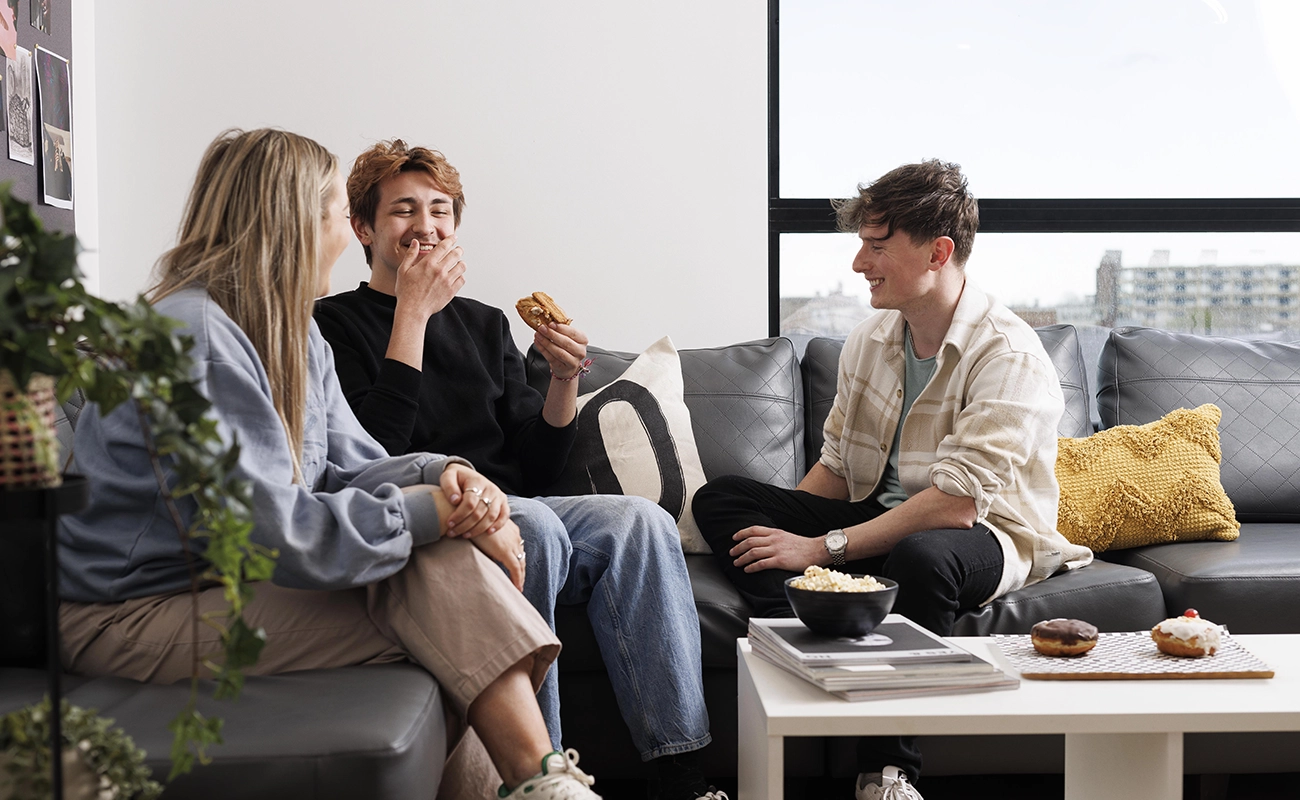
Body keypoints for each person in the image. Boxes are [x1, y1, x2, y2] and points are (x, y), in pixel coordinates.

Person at [57, 128, 604, 800]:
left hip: (220, 582)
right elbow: (277, 533)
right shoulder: (198, 339)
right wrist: (440, 514)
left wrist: (443, 476)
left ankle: (535, 783)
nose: (346, 233)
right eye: (335, 217)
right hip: (135, 612)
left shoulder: (292, 329)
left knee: (438, 566)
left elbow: (352, 462)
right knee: (434, 573)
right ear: (288, 223)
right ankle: (541, 781)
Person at [313, 141, 723, 800]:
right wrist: (412, 312)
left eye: (440, 211)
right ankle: (537, 776)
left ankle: (681, 776)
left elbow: (537, 461)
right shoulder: (331, 324)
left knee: (640, 523)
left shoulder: (483, 323)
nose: (426, 226)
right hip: (431, 521)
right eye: (403, 211)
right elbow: (372, 451)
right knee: (531, 521)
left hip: (520, 504)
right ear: (363, 228)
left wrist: (562, 379)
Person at [690, 160, 1093, 800]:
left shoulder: (1008, 355)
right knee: (724, 498)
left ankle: (887, 772)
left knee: (920, 556)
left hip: (982, 533)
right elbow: (837, 472)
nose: (858, 263)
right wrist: (793, 542)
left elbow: (957, 505)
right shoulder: (872, 338)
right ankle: (815, 632)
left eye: (877, 246)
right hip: (869, 518)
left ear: (939, 251)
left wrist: (818, 550)